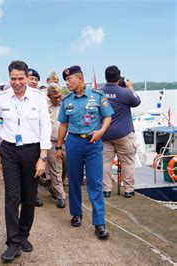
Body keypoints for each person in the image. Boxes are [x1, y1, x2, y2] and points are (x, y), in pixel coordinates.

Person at [0, 60, 51, 262]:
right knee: (12, 197)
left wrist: (42, 157)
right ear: (9, 78)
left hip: (33, 151)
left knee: (29, 196)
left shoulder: (39, 98)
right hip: (9, 151)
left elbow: (45, 128)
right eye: (13, 78)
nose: (17, 82)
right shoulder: (2, 98)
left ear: (27, 77)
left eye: (20, 78)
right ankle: (13, 243)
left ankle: (24, 235)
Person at [56, 65, 114, 240]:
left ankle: (99, 223)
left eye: (69, 79)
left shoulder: (97, 96)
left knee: (95, 183)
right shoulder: (67, 100)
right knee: (74, 180)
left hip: (93, 142)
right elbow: (63, 124)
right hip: (73, 142)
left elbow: (108, 116)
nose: (67, 83)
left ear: (79, 78)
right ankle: (76, 213)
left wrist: (101, 132)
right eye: (66, 80)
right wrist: (59, 147)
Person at [101, 65, 141, 198]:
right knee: (128, 161)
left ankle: (106, 189)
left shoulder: (99, 92)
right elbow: (137, 101)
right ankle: (128, 189)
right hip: (123, 133)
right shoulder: (125, 93)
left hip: (105, 133)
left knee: (105, 162)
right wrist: (130, 87)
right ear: (119, 77)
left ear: (106, 77)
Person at [46, 84, 67, 208]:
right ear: (49, 97)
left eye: (59, 97)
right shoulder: (45, 107)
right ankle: (61, 196)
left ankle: (55, 187)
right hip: (51, 142)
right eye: (55, 98)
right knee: (56, 169)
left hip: (66, 141)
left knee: (65, 168)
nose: (58, 100)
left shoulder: (66, 105)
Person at [27, 68, 45, 207]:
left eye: (35, 80)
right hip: (17, 143)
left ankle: (34, 195)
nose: (33, 81)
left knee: (35, 171)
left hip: (36, 141)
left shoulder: (41, 97)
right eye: (31, 78)